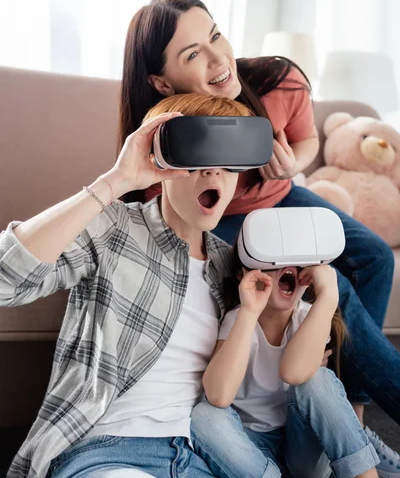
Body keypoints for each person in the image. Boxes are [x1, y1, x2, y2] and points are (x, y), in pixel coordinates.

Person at [117, 0, 400, 470]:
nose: (217, 58)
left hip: (279, 193)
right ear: (161, 81)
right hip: (222, 214)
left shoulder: (277, 80)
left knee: (374, 256)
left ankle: (351, 400)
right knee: (336, 288)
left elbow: (308, 136)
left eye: (214, 35)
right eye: (192, 55)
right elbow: (155, 208)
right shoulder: (166, 126)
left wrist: (296, 164)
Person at [0, 93, 252, 478]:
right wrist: (116, 181)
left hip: (200, 454)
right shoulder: (115, 227)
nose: (213, 172)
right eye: (196, 156)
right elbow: (6, 281)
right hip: (107, 451)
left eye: (228, 161)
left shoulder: (233, 265)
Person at [190, 240, 380, 478]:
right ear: (244, 275)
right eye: (273, 260)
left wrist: (328, 296)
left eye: (298, 264)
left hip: (301, 443)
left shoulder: (310, 317)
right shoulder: (238, 320)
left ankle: (366, 474)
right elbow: (218, 395)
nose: (287, 266)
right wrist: (250, 311)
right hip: (250, 451)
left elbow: (293, 373)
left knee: (317, 379)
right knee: (203, 416)